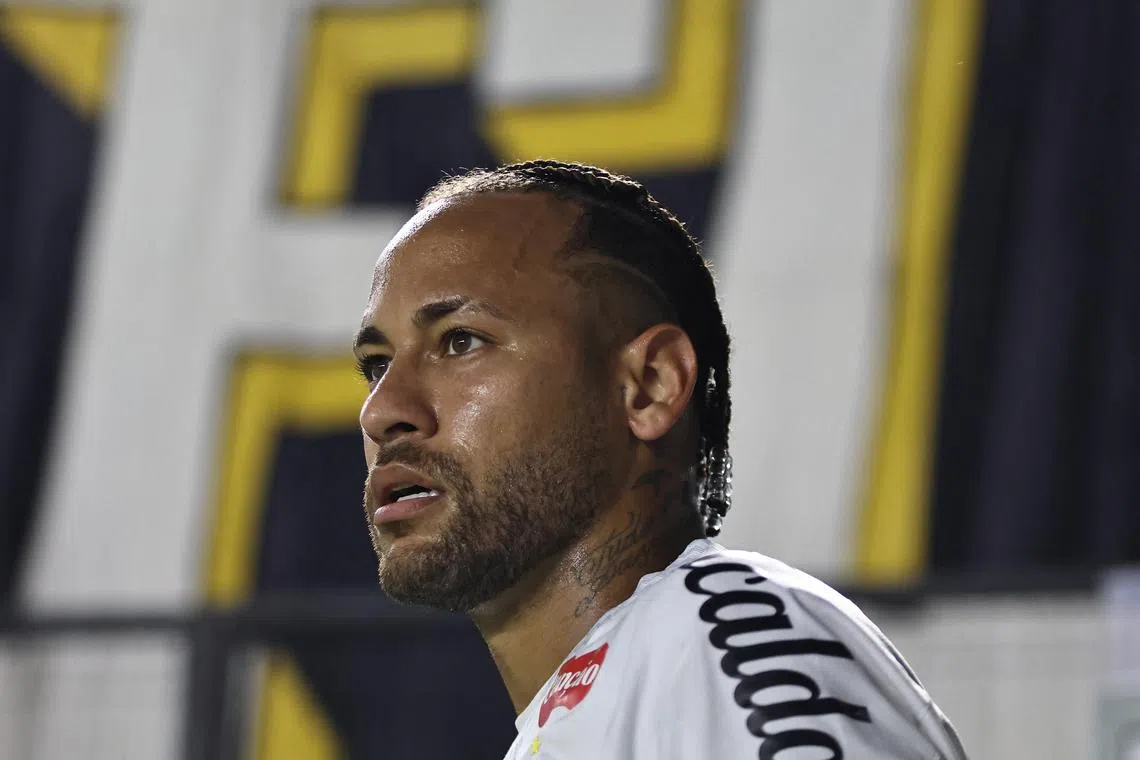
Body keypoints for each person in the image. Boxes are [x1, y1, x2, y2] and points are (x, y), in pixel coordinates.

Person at [353, 160, 968, 759]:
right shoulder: (626, 694)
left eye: (461, 341)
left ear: (649, 385)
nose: (381, 411)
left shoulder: (725, 630)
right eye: (377, 365)